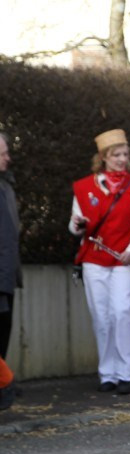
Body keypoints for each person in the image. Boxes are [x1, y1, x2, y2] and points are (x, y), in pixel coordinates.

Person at [69, 129, 130, 395]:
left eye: (125, 154)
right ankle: (108, 373)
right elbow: (75, 224)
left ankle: (127, 372)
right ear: (103, 157)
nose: (121, 160)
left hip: (124, 259)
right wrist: (78, 225)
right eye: (116, 155)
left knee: (123, 311)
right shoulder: (83, 187)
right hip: (94, 258)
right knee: (101, 317)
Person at [0, 132, 19, 361]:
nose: (8, 158)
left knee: (4, 330)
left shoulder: (6, 186)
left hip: (6, 276)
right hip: (2, 276)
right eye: (3, 154)